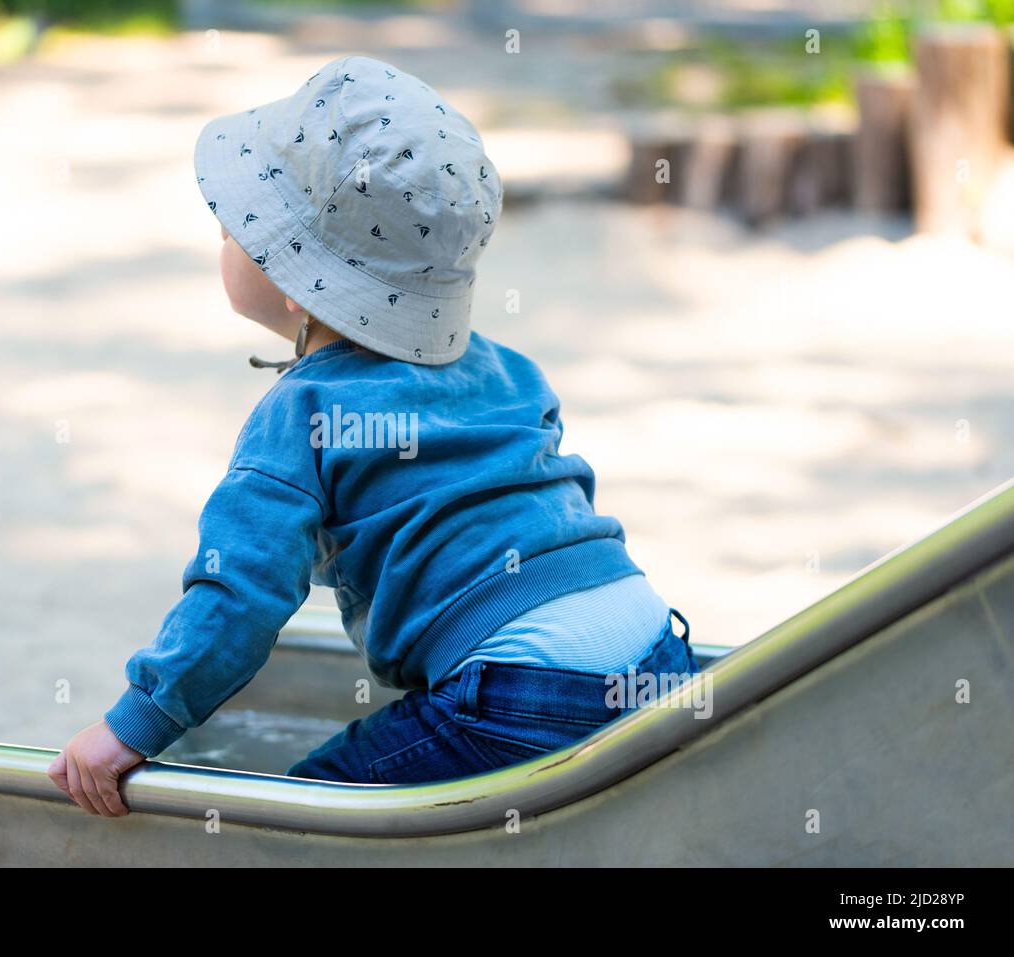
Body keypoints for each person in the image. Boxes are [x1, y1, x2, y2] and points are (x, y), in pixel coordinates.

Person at [48, 55, 699, 817]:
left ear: (294, 277)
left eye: (236, 227)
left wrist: (132, 727)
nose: (222, 234)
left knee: (301, 822)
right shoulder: (508, 369)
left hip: (520, 687)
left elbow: (240, 594)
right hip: (654, 650)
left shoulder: (302, 413)